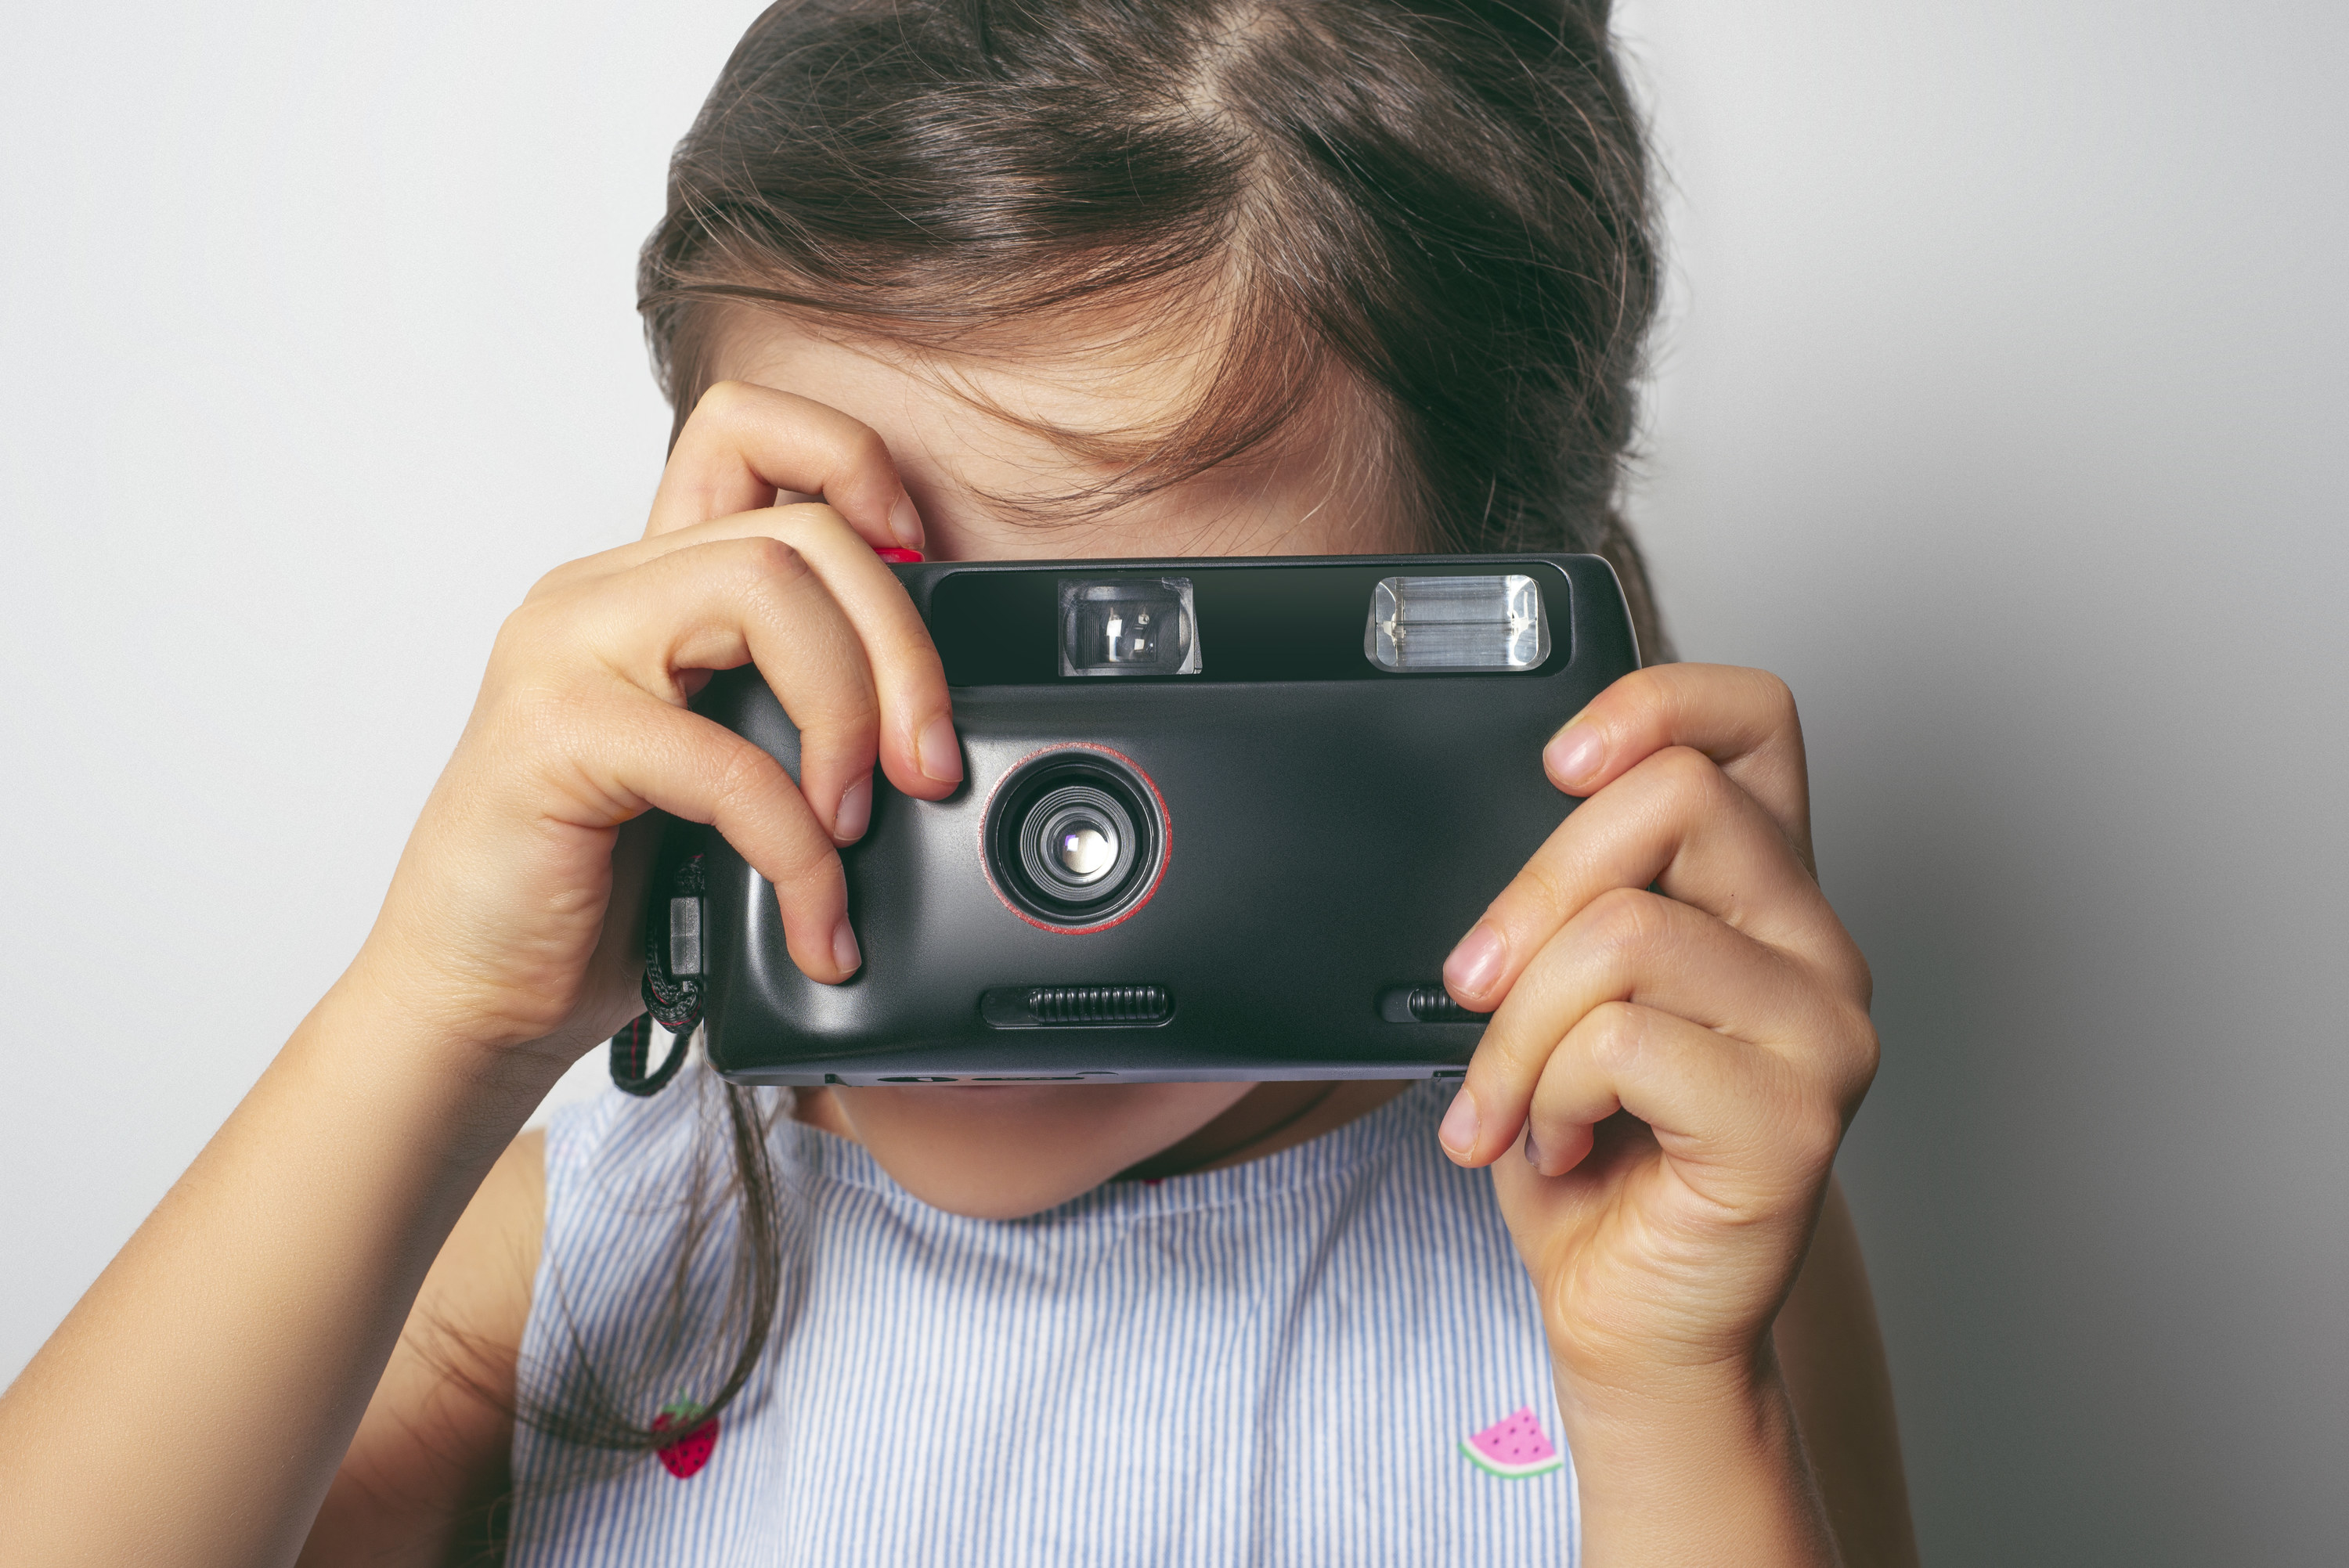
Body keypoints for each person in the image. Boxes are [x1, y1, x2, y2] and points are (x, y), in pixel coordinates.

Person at [0, 2, 1916, 1563]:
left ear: (1501, 638)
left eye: (1142, 688)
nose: (1040, 844)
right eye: (878, 621)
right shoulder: (607, 1245)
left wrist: (1677, 1395)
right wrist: (429, 1018)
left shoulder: (1650, 1232)